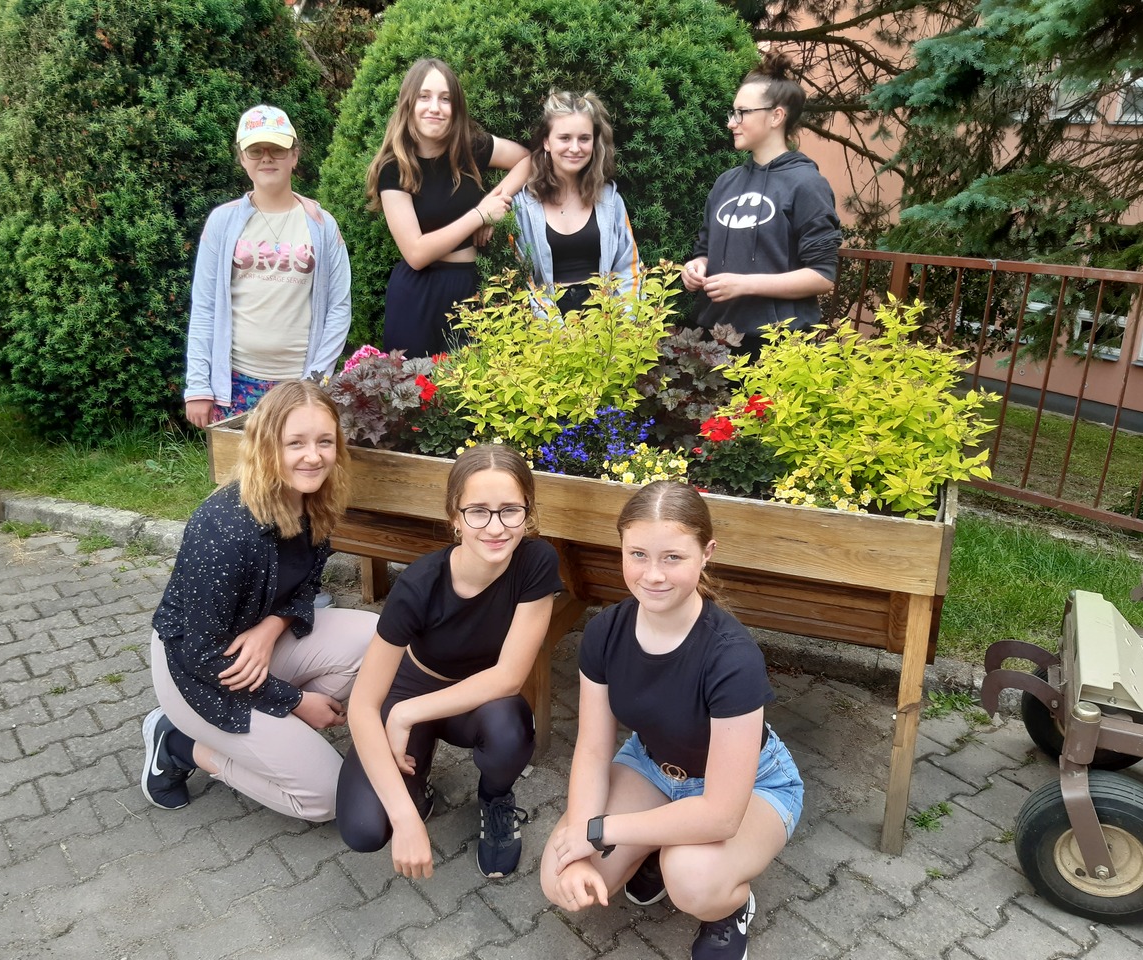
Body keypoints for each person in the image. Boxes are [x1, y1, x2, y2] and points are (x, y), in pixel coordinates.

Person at [540, 481, 803, 960]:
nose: (653, 575)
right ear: (621, 549)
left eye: (673, 558)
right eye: (638, 554)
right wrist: (579, 836)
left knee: (692, 879)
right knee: (559, 879)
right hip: (652, 766)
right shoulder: (604, 632)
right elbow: (594, 748)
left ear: (706, 554)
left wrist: (599, 831)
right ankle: (656, 847)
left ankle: (729, 908)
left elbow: (721, 815)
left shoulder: (731, 657)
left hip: (751, 787)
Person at [142, 381, 376, 820]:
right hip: (196, 671)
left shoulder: (315, 500)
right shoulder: (225, 528)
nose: (314, 456)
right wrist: (294, 701)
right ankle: (179, 743)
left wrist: (272, 628)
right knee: (327, 800)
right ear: (267, 446)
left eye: (325, 442)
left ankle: (277, 736)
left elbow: (307, 585)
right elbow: (199, 653)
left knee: (377, 641)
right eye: (296, 443)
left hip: (256, 645)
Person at [336, 444, 565, 879]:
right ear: (454, 517)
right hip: (414, 683)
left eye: (509, 510)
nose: (495, 527)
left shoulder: (536, 563)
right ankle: (417, 786)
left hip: (478, 700)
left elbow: (508, 677)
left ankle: (495, 798)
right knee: (365, 828)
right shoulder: (419, 584)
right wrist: (405, 817)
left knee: (510, 728)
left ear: (528, 513)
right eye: (478, 511)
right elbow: (363, 705)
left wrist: (405, 715)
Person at [184, 105, 352, 428]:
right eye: (255, 150)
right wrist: (199, 386)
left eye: (277, 149)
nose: (266, 158)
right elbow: (205, 307)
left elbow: (339, 308)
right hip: (235, 385)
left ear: (294, 156)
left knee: (299, 460)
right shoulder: (222, 223)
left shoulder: (322, 225)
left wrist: (316, 380)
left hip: (299, 384)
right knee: (238, 464)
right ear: (242, 158)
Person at [683, 51, 842, 362]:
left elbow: (822, 275)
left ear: (776, 116)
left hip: (776, 347)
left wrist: (744, 284)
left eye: (742, 112)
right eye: (733, 112)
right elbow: (703, 250)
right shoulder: (725, 183)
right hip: (714, 339)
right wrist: (695, 268)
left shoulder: (807, 184)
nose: (731, 122)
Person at [366, 59, 530, 357]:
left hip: (469, 290)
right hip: (416, 297)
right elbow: (416, 253)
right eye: (424, 97)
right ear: (409, 104)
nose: (435, 107)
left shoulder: (472, 148)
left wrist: (495, 202)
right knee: (411, 385)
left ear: (456, 107)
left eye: (445, 99)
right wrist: (479, 215)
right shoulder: (394, 169)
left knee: (472, 384)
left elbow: (527, 160)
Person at [513, 90, 639, 316]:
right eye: (564, 138)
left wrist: (623, 325)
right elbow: (523, 282)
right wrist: (555, 329)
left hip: (606, 322)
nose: (575, 148)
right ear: (546, 142)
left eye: (584, 138)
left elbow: (628, 270)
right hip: (545, 327)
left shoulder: (610, 201)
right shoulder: (523, 206)